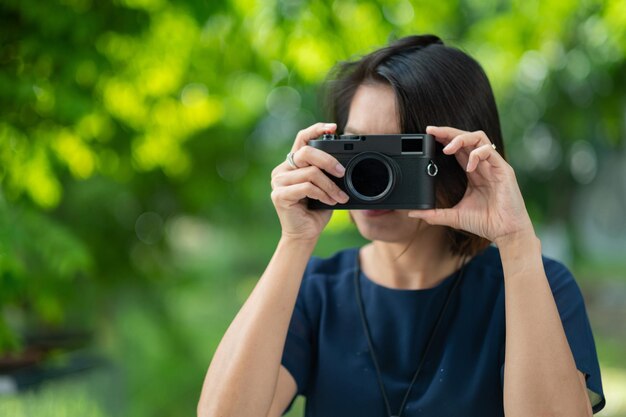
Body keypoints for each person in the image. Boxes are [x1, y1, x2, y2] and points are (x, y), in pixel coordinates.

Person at [197, 34, 605, 417]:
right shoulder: (316, 293)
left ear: (457, 157)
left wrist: (517, 243)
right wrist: (294, 240)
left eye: (398, 152)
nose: (372, 176)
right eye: (358, 148)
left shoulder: (535, 284)